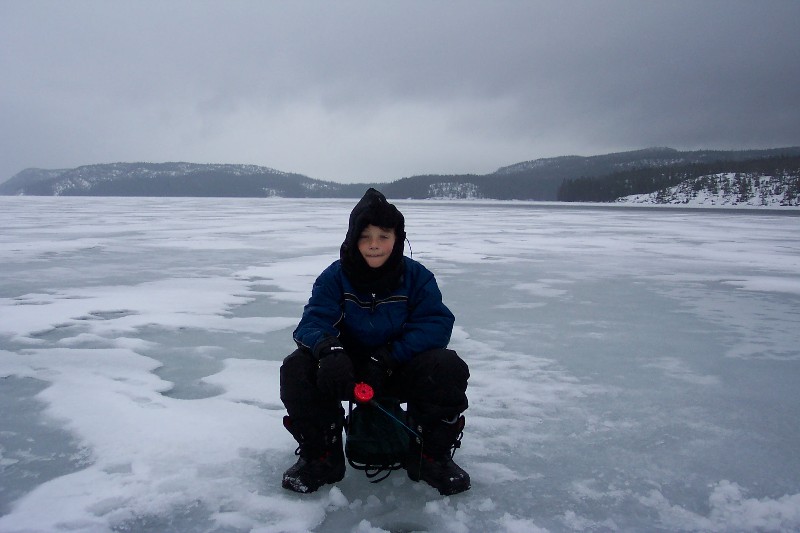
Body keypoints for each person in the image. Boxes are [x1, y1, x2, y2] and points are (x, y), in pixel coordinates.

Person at [279, 188, 470, 495]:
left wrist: (389, 358)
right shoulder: (335, 276)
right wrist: (330, 352)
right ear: (353, 238)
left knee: (447, 367)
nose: (374, 245)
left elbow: (435, 325)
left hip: (395, 367)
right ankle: (322, 456)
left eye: (384, 236)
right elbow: (313, 321)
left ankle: (430, 456)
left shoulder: (417, 277)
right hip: (346, 370)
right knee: (296, 367)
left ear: (398, 238)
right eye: (365, 236)